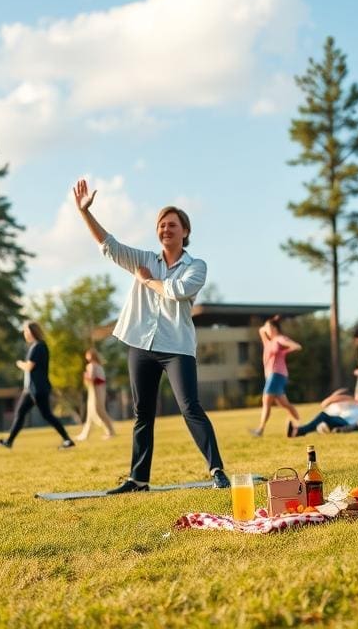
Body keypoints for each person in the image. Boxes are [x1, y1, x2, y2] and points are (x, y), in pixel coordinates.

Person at [73, 178, 229, 492]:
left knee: (190, 408)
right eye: (161, 225)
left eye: (172, 225)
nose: (166, 229)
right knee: (142, 413)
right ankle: (138, 479)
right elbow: (110, 247)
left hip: (177, 348)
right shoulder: (144, 260)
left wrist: (147, 282)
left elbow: (178, 291)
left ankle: (217, 471)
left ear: (185, 232)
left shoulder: (195, 265)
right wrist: (85, 213)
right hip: (141, 345)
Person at [0, 322, 75, 451]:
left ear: (32, 332)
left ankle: (67, 440)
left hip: (38, 388)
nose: (24, 334)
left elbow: (29, 366)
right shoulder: (37, 346)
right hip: (31, 389)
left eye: (26, 331)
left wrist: (20, 363)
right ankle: (9, 441)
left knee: (47, 415)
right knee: (20, 413)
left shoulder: (38, 346)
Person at [251, 316, 302, 437]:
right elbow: (261, 330)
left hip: (277, 374)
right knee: (284, 404)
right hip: (272, 376)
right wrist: (271, 321)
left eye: (269, 327)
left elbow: (296, 346)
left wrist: (284, 352)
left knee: (266, 400)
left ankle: (260, 430)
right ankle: (300, 424)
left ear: (274, 328)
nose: (267, 329)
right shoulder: (267, 341)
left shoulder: (280, 339)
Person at [286, 389, 358, 437]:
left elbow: (326, 403)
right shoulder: (346, 408)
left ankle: (299, 431)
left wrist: (331, 399)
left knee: (323, 416)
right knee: (323, 418)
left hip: (348, 424)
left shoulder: (355, 403)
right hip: (345, 423)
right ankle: (297, 429)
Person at [76, 348, 116, 440]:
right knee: (90, 414)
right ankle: (85, 434)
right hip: (99, 389)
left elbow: (91, 379)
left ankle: (110, 430)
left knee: (98, 411)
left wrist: (85, 376)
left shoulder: (91, 366)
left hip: (95, 390)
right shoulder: (99, 366)